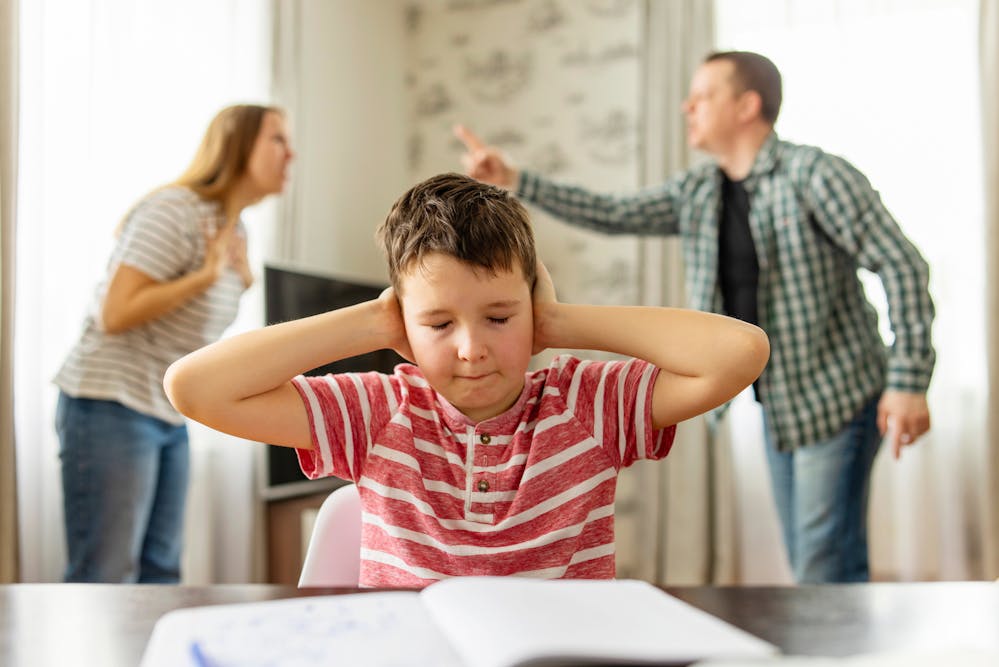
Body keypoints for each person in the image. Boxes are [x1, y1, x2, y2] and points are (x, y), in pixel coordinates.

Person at [455, 51, 936, 584]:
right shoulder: (701, 191)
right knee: (811, 560)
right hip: (786, 403)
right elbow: (614, 213)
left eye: (703, 95)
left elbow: (902, 263)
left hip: (841, 391)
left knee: (824, 563)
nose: (687, 106)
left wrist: (908, 381)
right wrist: (516, 178)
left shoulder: (815, 175)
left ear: (747, 105)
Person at [164, 172, 769, 588]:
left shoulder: (586, 406)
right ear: (403, 322)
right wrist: (372, 322)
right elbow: (194, 387)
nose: (472, 349)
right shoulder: (378, 413)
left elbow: (740, 352)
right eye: (438, 322)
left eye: (500, 317)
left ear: (531, 308)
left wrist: (558, 321)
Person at [54, 104, 295, 583]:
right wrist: (204, 277)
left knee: (162, 570)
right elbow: (116, 312)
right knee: (105, 573)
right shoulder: (176, 209)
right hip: (110, 402)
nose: (292, 153)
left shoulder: (234, 229)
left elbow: (191, 326)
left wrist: (239, 281)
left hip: (165, 411)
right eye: (278, 139)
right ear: (238, 145)